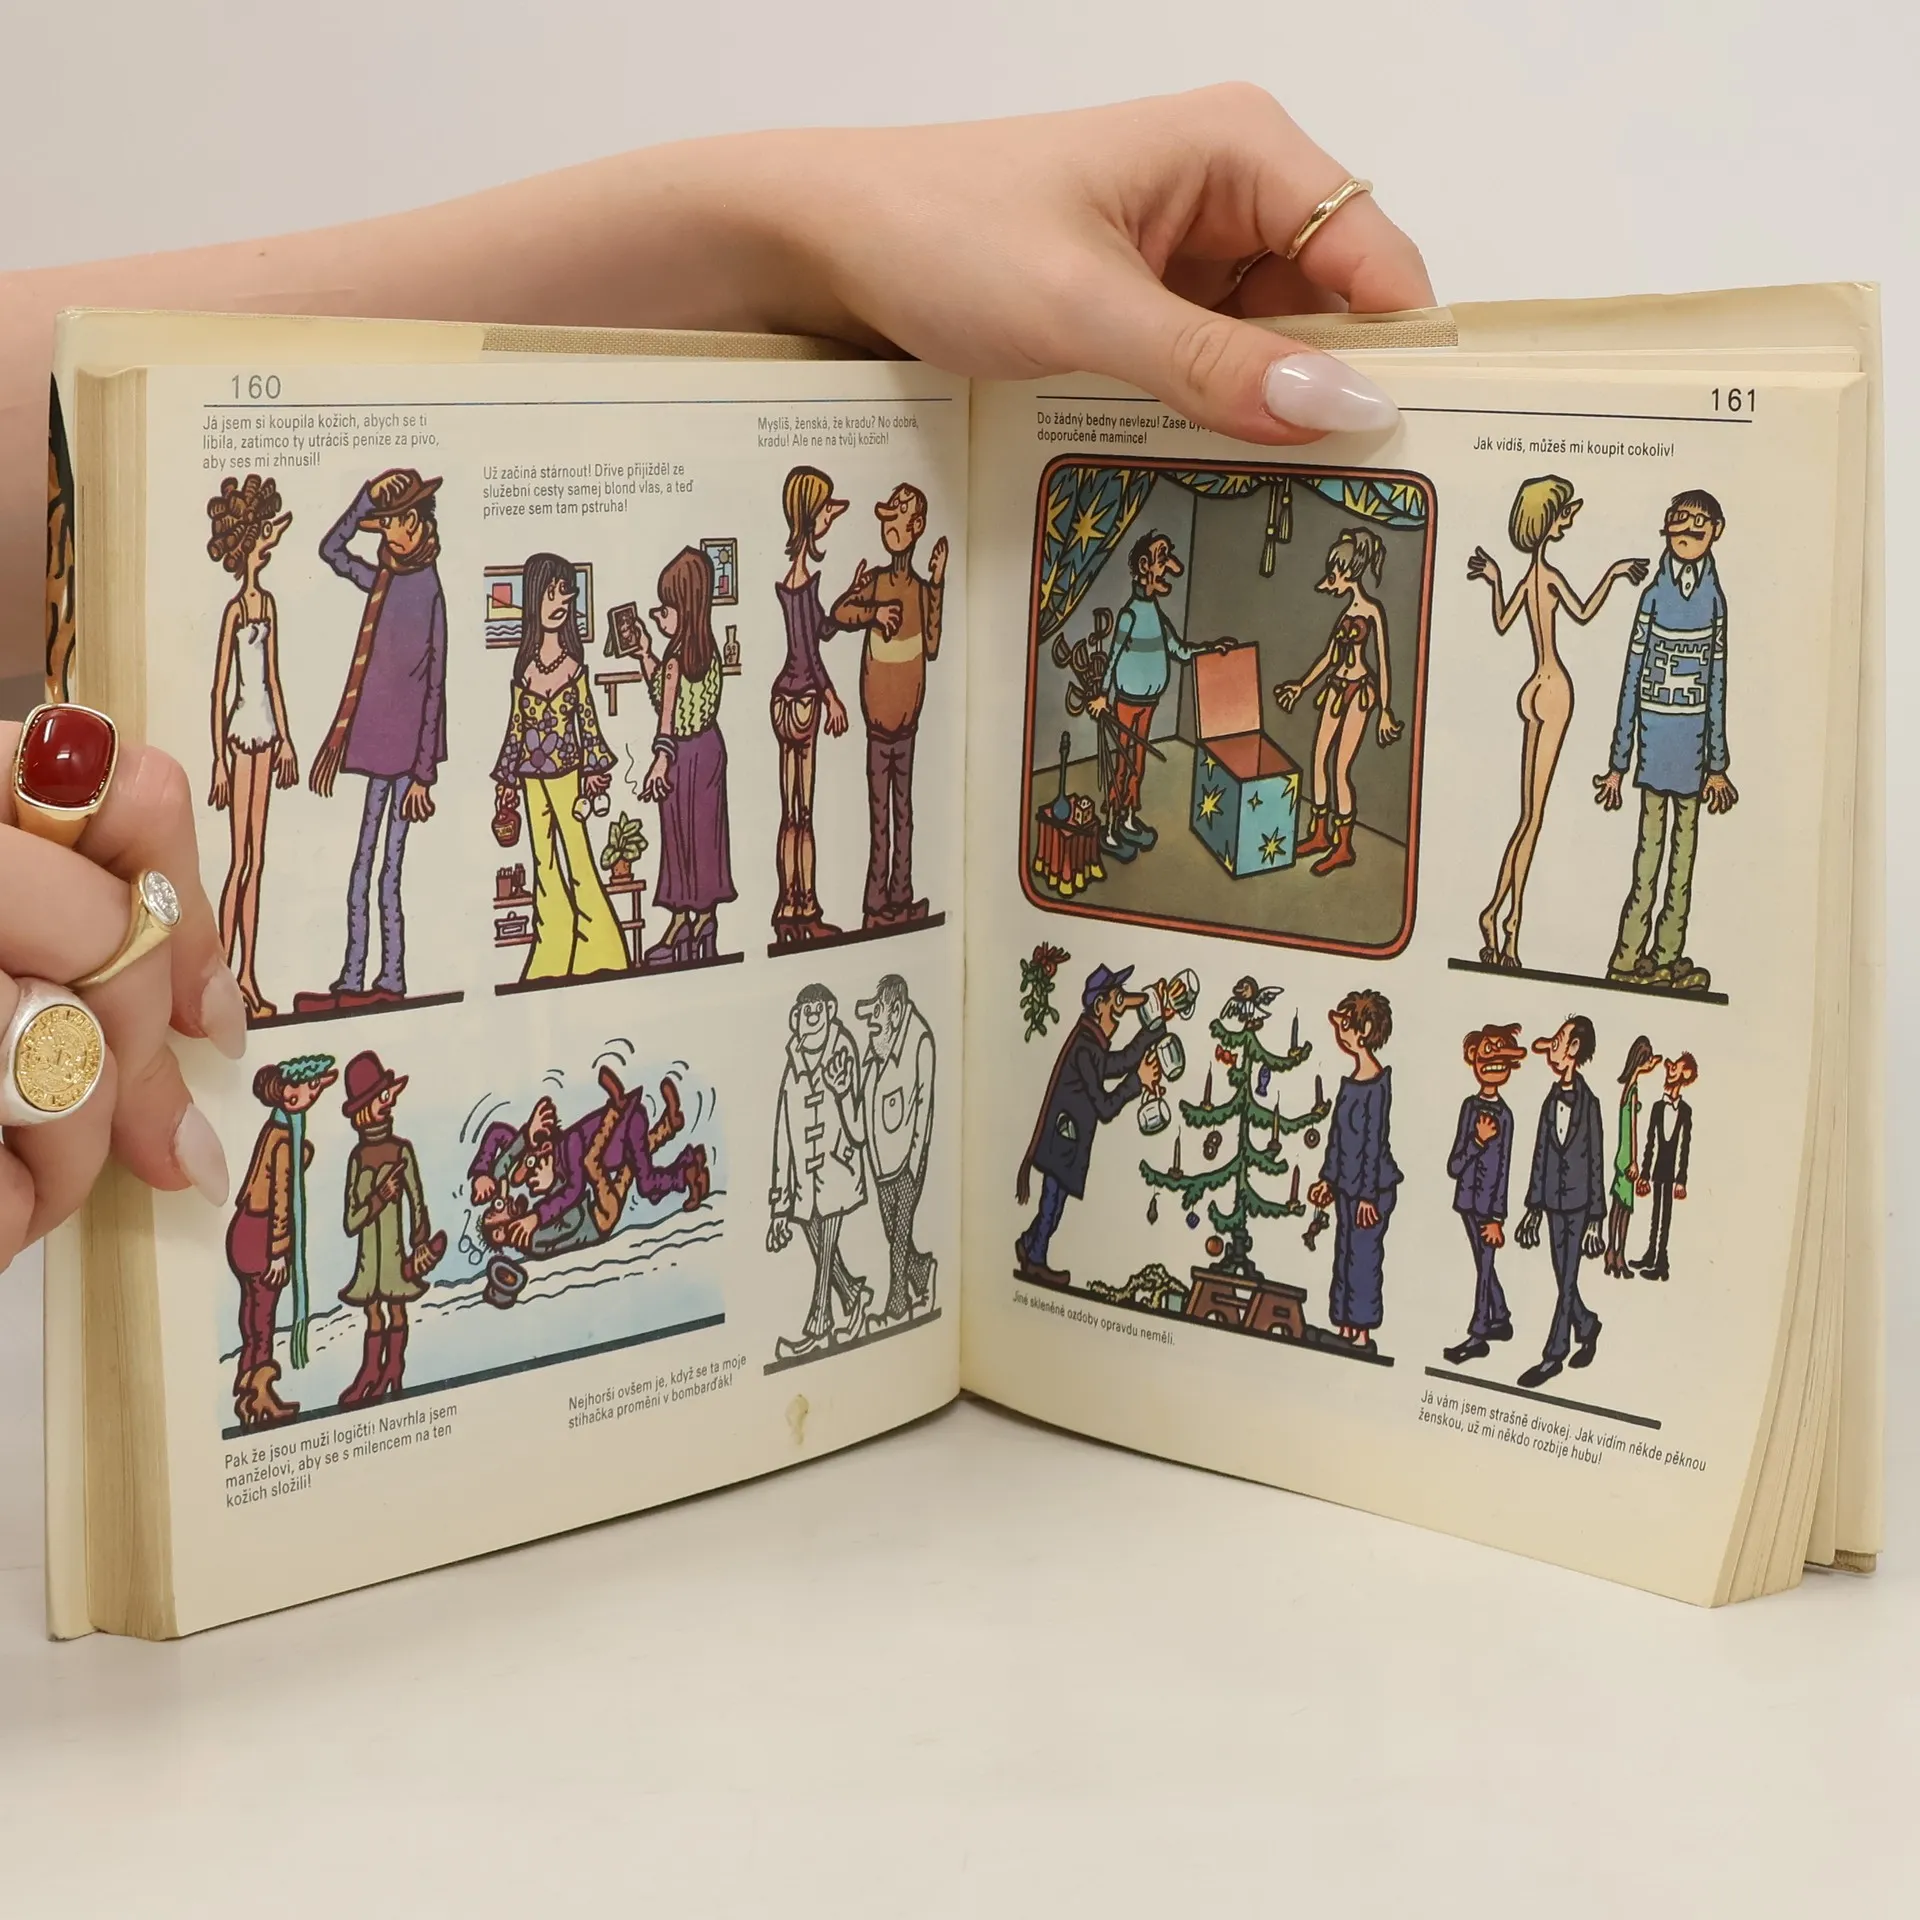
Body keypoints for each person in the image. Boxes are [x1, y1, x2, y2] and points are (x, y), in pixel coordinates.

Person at [0, 90, 1430, 1271]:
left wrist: (792, 226)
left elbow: (100, 415)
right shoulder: (539, 600)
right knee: (686, 848)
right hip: (731, 731)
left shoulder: (538, 609)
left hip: (770, 728)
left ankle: (470, 953)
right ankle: (440, 959)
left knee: (702, 851)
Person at [1466, 479, 1648, 969]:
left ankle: (1493, 913)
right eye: (1564, 515)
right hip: (1554, 691)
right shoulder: (1548, 577)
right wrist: (1614, 573)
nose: (1568, 522)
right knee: (1534, 819)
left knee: (1525, 818)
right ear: (1547, 521)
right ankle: (1511, 928)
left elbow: (1503, 621)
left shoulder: (1528, 579)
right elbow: (1584, 612)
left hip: (1532, 689)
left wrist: (1496, 579)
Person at [297, 468, 449, 1012]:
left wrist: (424, 776)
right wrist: (366, 498)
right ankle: (352, 977)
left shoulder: (427, 590)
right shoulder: (384, 579)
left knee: (388, 872)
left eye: (392, 524)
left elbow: (435, 688)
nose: (387, 535)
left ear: (416, 522)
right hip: (377, 750)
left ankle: (392, 978)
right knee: (363, 864)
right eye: (382, 526)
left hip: (406, 761)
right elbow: (331, 550)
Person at [1594, 492, 1737, 993]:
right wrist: (1618, 763)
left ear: (1715, 530)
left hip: (1694, 755)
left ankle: (1667, 955)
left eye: (1698, 524)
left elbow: (1717, 685)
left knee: (1683, 864)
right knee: (1648, 859)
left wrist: (1717, 764)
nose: (1687, 531)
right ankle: (1627, 957)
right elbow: (1631, 679)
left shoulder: (1714, 601)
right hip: (1653, 751)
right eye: (1679, 521)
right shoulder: (1653, 598)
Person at [491, 551, 626, 981]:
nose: (560, 602)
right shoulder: (525, 668)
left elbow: (588, 724)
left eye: (566, 594)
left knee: (580, 860)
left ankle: (600, 952)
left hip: (568, 776)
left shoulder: (573, 668)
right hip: (531, 780)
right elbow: (516, 728)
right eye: (551, 593)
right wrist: (506, 780)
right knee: (544, 866)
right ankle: (551, 954)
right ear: (534, 598)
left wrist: (594, 772)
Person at [204, 474, 299, 1021]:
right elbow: (220, 687)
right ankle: (222, 976)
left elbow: (274, 679)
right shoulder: (236, 611)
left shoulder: (269, 605)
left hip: (265, 735)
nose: (269, 544)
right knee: (239, 860)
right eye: (263, 536)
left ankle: (248, 976)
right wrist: (219, 758)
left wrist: (286, 739)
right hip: (240, 735)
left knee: (257, 861)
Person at [831, 484, 946, 929]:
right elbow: (839, 613)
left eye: (898, 519)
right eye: (886, 520)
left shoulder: (920, 590)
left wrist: (938, 583)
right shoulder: (877, 582)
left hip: (908, 724)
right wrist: (873, 612)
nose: (890, 528)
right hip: (878, 724)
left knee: (905, 814)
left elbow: (931, 644)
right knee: (880, 815)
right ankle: (875, 903)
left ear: (916, 527)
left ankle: (901, 896)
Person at [1014, 963, 1165, 1286]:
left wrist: (1154, 1025)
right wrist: (1137, 1082)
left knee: (1054, 1206)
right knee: (1052, 1207)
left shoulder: (1091, 1043)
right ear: (1100, 1006)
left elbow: (1120, 1061)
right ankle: (1035, 1260)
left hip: (1067, 1143)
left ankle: (1028, 1243)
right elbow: (1105, 1107)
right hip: (1062, 1142)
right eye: (1115, 1001)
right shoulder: (1085, 1048)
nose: (1120, 1009)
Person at [469, 1067, 709, 1263]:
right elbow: (573, 1217)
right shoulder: (533, 1241)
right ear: (500, 1233)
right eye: (494, 1211)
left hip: (615, 1136)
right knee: (623, 1174)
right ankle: (625, 1114)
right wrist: (549, 1191)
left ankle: (677, 1144)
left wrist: (483, 1171)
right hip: (598, 1217)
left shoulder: (518, 1179)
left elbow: (499, 1134)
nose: (498, 1202)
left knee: (627, 1165)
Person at [1275, 525, 1402, 876]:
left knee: (1340, 768)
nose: (1331, 578)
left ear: (1350, 571)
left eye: (1335, 571)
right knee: (1318, 759)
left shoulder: (1372, 611)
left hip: (1359, 692)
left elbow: (1383, 663)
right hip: (1334, 688)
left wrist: (1385, 710)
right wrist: (1301, 686)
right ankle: (1320, 832)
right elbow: (1329, 657)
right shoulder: (1345, 615)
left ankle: (1343, 845)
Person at [636, 546, 736, 966]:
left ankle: (681, 921)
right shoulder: (710, 652)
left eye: (666, 609)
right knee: (707, 837)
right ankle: (705, 920)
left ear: (686, 608)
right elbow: (667, 694)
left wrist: (661, 759)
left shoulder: (676, 660)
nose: (660, 617)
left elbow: (665, 713)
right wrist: (646, 654)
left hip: (680, 753)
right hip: (711, 748)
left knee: (679, 839)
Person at [227, 1053, 337, 1427]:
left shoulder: (278, 1131)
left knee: (254, 1316)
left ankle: (250, 1393)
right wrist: (277, 1252)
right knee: (262, 1320)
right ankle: (259, 1395)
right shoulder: (284, 1139)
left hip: (245, 1228)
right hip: (260, 1234)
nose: (305, 1094)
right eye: (299, 1088)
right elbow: (280, 1197)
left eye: (312, 1087)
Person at [1085, 530, 1208, 864]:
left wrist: (1209, 650)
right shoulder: (1130, 616)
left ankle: (1128, 819)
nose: (1170, 566)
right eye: (1162, 557)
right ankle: (1111, 828)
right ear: (1143, 566)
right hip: (1126, 703)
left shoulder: (1157, 616)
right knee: (1122, 764)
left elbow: (1180, 650)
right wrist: (1102, 696)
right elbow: (1112, 658)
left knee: (1137, 763)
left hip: (1148, 705)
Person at [771, 466, 856, 946]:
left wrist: (849, 595)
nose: (829, 520)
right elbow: (810, 652)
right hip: (802, 697)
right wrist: (832, 697)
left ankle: (789, 907)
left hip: (783, 698)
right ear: (809, 515)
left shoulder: (794, 580)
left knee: (791, 811)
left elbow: (822, 629)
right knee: (803, 813)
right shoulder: (802, 581)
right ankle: (804, 908)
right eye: (826, 512)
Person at [768, 984, 873, 1360]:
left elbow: (857, 1123)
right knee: (816, 1239)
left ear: (829, 1011)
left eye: (818, 1008)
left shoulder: (842, 1049)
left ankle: (818, 1323)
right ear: (796, 1017)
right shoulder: (793, 1063)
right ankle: (854, 1295)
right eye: (805, 1009)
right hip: (805, 1182)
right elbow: (783, 1135)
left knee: (824, 1252)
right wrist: (780, 1206)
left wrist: (843, 1092)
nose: (811, 1015)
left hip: (837, 1170)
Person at [336, 1049, 444, 1407]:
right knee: (373, 1312)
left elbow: (417, 1200)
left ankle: (394, 1368)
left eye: (388, 1095)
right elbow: (351, 1221)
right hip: (369, 1259)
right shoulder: (358, 1158)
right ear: (363, 1109)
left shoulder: (401, 1151)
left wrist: (421, 1241)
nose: (389, 1102)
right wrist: (379, 1198)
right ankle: (370, 1371)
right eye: (381, 1097)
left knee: (397, 1308)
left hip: (396, 1254)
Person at [1515, 1015, 1607, 1388]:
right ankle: (1586, 1323)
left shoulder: (1591, 1104)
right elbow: (1540, 1155)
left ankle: (1554, 1355)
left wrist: (1596, 1219)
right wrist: (1533, 1210)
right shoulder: (1549, 1101)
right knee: (1563, 1276)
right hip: (1552, 1201)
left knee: (1567, 1277)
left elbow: (1597, 1161)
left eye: (1559, 1040)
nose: (1552, 1046)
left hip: (1580, 1203)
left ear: (1574, 1048)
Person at [1307, 988, 1399, 1349]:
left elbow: (1373, 1144)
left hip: (1371, 1190)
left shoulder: (1377, 1086)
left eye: (1346, 1025)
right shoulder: (1350, 1083)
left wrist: (1367, 1196)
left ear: (1365, 1030)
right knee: (1344, 1253)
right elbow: (1338, 1138)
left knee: (1363, 1258)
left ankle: (1362, 1333)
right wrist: (1327, 1181)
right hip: (1346, 1185)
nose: (1340, 1032)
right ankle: (1344, 1328)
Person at [1441, 1023, 1527, 1366]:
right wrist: (1477, 1140)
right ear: (1473, 1058)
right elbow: (1454, 1164)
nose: (1493, 1064)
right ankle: (1501, 1317)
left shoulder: (1506, 1116)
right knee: (1483, 1263)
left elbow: (1504, 1170)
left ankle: (1478, 1335)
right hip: (1467, 1200)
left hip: (1488, 1207)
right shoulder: (1469, 1107)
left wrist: (1497, 1219)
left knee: (1485, 1266)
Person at [854, 973, 936, 1326]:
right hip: (881, 1162)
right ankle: (922, 1269)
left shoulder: (920, 1041)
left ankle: (897, 1302)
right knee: (893, 1234)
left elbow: (924, 1106)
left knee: (899, 1238)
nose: (872, 1023)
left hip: (905, 1161)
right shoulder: (877, 1047)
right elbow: (862, 1112)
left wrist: (914, 1163)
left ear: (897, 1010)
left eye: (878, 1012)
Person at [1634, 1051, 1698, 1280]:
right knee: (1655, 1213)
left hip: (1672, 1174)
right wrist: (1644, 1174)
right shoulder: (1657, 1108)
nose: (1669, 1068)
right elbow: (1650, 1143)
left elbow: (1684, 1146)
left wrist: (1682, 1180)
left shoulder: (1685, 1111)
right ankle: (1651, 1253)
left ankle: (1662, 1261)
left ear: (1685, 1074)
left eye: (1676, 1067)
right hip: (1657, 1171)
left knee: (1666, 1215)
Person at [1603, 1034, 1663, 1277]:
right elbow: (1632, 1129)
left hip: (1621, 1155)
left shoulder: (1627, 1087)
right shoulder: (1634, 1090)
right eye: (1648, 1060)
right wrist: (1635, 1162)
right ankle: (1619, 1256)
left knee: (1617, 1206)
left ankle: (1612, 1253)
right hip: (1628, 1156)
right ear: (1641, 1060)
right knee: (1625, 1208)